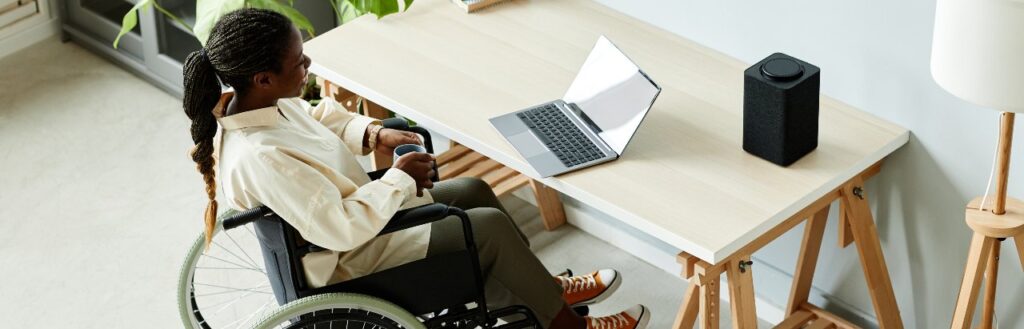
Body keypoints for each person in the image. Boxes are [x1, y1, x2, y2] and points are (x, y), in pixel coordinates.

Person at [181, 8, 649, 329]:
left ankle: (543, 293)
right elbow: (341, 229)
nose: (308, 65)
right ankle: (565, 325)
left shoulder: (259, 107)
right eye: (298, 62)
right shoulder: (260, 155)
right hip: (350, 257)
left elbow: (320, 118)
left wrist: (372, 134)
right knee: (483, 228)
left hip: (356, 222)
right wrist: (400, 178)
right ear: (263, 78)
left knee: (473, 190)